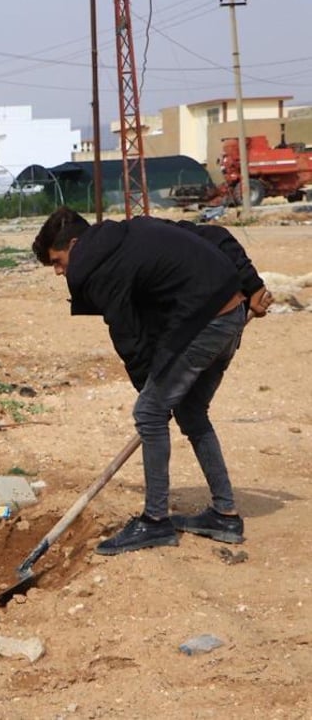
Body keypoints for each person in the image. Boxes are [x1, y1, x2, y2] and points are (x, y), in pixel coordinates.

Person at [32, 207, 272, 555]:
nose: (58, 271)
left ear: (74, 243)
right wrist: (251, 285)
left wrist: (152, 392)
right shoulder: (135, 230)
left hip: (206, 322)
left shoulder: (97, 269)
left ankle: (155, 522)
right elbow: (215, 234)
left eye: (57, 260)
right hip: (229, 313)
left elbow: (129, 337)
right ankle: (224, 515)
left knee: (149, 413)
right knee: (191, 413)